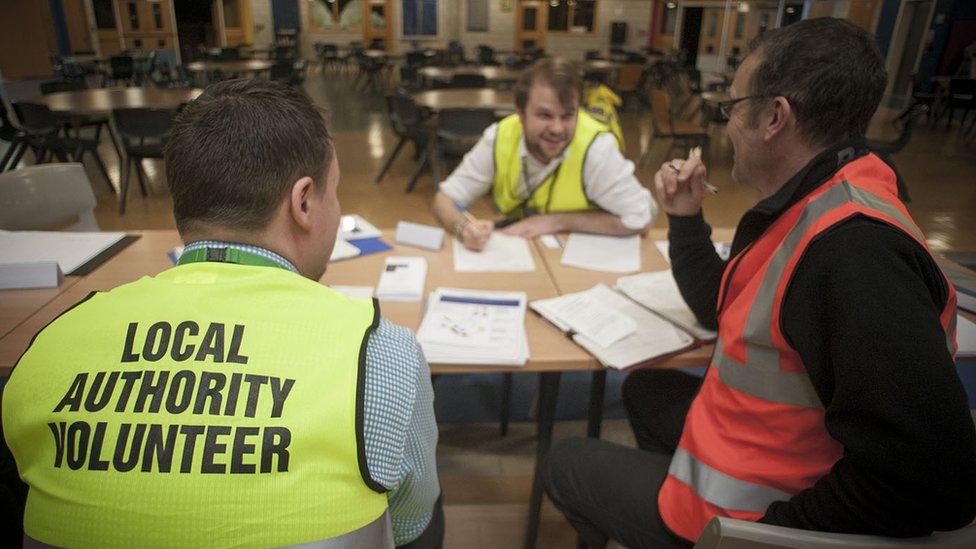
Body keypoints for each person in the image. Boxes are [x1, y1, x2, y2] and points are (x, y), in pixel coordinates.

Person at [544, 17, 976, 548]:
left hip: (763, 512)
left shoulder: (855, 255)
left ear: (774, 116)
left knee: (566, 461)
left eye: (732, 107)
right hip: (774, 452)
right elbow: (721, 306)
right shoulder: (826, 194)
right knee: (645, 389)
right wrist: (684, 217)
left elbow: (931, 481)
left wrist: (759, 537)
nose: (726, 125)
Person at [1, 79, 442, 548]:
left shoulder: (50, 345)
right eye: (336, 193)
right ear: (305, 201)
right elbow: (413, 517)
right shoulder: (380, 351)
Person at [431, 57, 656, 251]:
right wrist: (463, 229)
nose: (557, 129)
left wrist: (555, 222)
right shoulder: (499, 137)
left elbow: (640, 219)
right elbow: (444, 200)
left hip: (583, 256)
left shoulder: (596, 148)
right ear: (521, 113)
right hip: (523, 251)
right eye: (545, 116)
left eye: (568, 116)